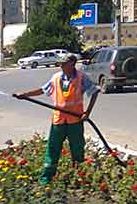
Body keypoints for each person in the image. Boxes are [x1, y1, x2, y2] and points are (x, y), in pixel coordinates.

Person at [14, 54, 100, 184]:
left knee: (77, 149)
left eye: (64, 64)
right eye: (60, 64)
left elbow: (94, 92)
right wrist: (25, 95)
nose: (61, 66)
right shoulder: (56, 77)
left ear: (72, 64)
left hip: (75, 121)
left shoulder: (81, 78)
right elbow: (43, 90)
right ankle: (46, 178)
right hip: (58, 120)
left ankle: (79, 176)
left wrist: (87, 112)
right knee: (53, 148)